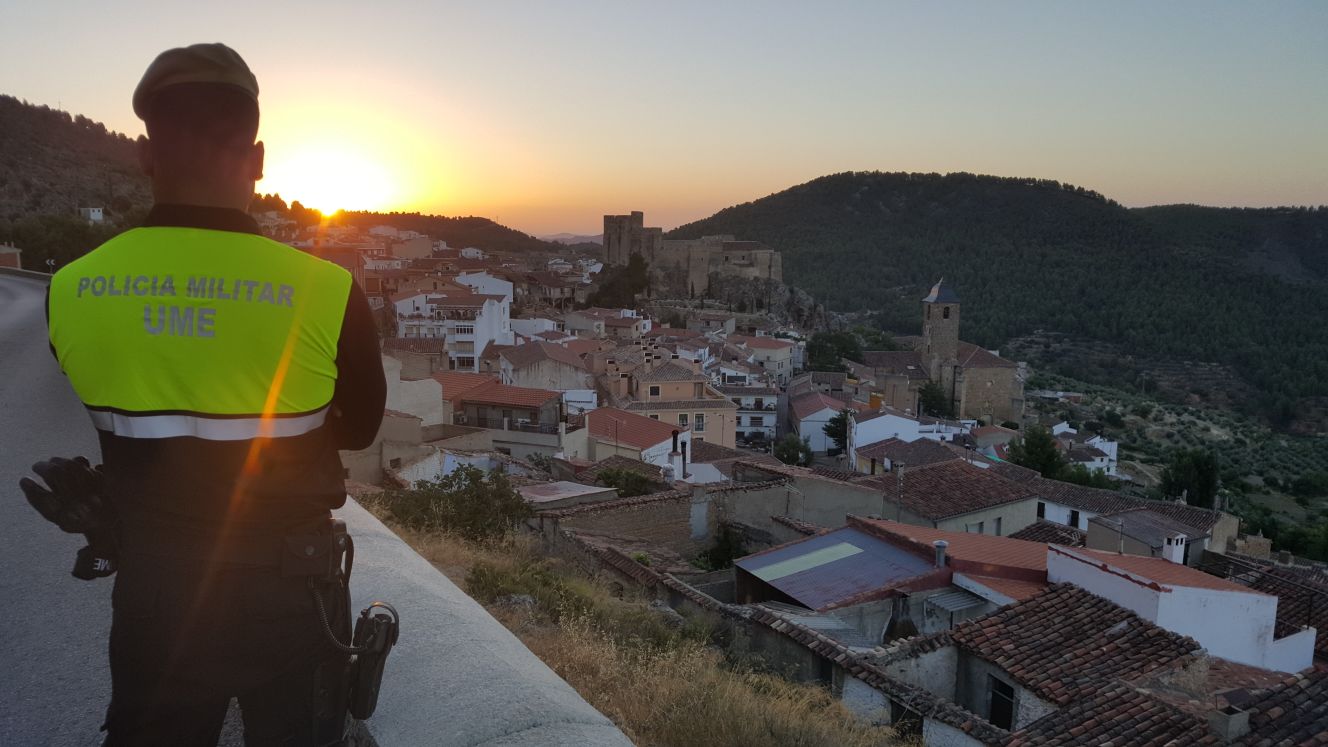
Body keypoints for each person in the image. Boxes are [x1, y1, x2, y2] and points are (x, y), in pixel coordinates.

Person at [37, 43, 386, 745]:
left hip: (156, 592)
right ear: (256, 160)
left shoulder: (71, 288)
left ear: (145, 154)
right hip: (294, 592)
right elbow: (358, 429)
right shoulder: (326, 290)